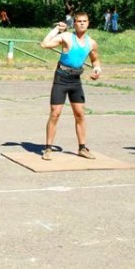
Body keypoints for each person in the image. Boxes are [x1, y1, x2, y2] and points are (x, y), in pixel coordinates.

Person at [40, 12, 101, 160]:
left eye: (84, 21)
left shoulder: (91, 43)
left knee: (80, 114)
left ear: (88, 23)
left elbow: (95, 60)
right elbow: (44, 44)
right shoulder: (67, 37)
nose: (81, 23)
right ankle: (48, 149)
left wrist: (97, 70)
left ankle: (82, 148)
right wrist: (57, 30)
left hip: (75, 80)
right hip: (61, 77)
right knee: (55, 113)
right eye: (78, 21)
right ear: (74, 24)